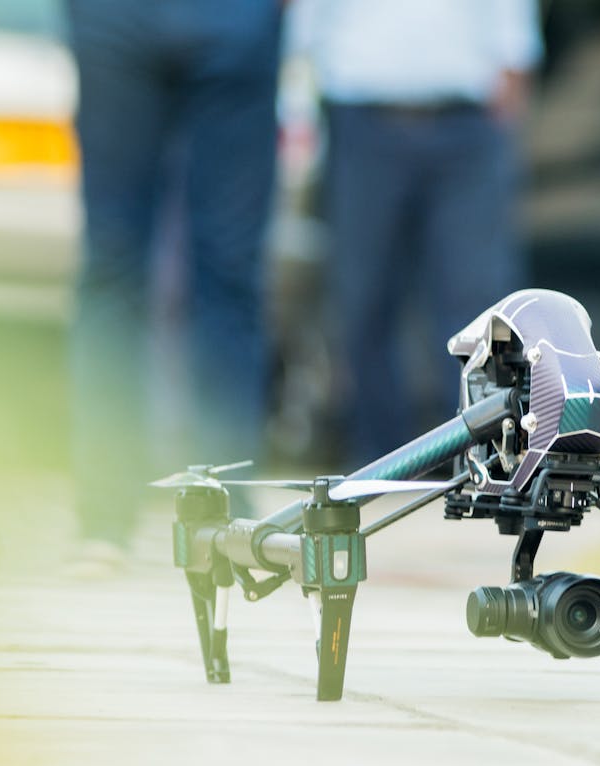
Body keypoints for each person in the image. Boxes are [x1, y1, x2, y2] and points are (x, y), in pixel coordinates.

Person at [64, 1, 283, 572]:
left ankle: (228, 516)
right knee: (112, 261)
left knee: (231, 269)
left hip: (238, 16)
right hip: (116, 18)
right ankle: (104, 517)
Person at [288, 0, 542, 464]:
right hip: (361, 118)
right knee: (363, 300)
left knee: (480, 305)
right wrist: (299, 112)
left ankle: (485, 458)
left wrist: (514, 79)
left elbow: (513, 33)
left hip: (466, 120)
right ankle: (380, 463)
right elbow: (305, 28)